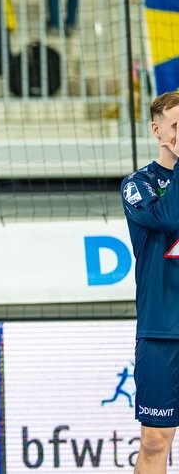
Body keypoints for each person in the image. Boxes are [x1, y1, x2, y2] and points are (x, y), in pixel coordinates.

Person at [121, 91, 179, 473]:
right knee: (156, 441)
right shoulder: (137, 185)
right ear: (158, 132)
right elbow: (168, 219)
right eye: (177, 127)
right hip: (162, 331)